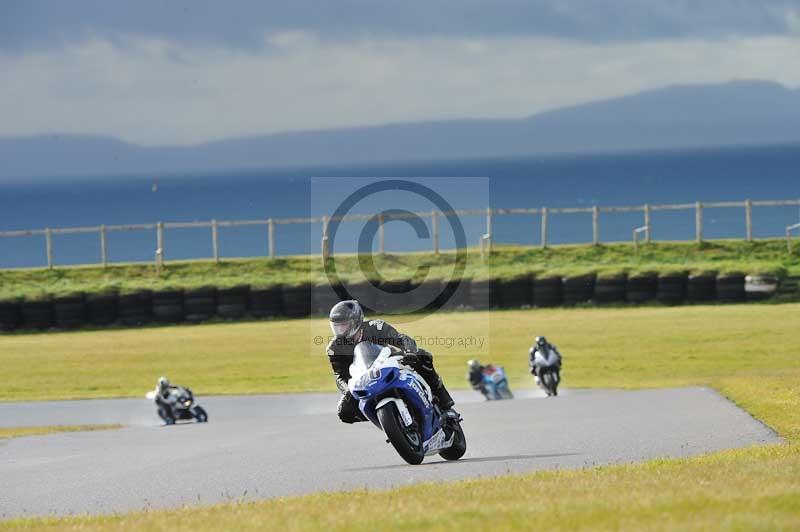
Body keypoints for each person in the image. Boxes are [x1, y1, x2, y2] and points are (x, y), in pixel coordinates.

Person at [326, 300, 457, 424]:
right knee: (344, 412)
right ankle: (386, 418)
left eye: (344, 325)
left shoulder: (375, 327)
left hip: (389, 363)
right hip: (364, 379)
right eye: (337, 327)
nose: (340, 331)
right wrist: (347, 389)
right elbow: (340, 376)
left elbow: (400, 339)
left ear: (355, 321)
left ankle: (446, 405)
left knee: (423, 357)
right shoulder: (334, 348)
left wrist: (409, 351)